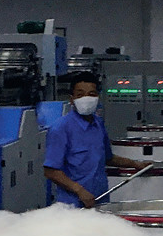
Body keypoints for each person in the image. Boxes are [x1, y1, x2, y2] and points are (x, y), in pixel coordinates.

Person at [43, 73, 148, 207]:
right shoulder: (61, 128)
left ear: (98, 97)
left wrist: (136, 164)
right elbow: (51, 171)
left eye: (91, 94)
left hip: (100, 199)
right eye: (80, 95)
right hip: (73, 206)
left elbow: (108, 158)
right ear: (72, 99)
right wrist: (79, 190)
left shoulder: (98, 124)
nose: (86, 98)